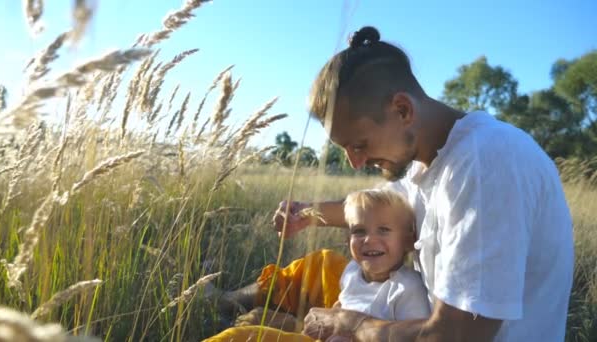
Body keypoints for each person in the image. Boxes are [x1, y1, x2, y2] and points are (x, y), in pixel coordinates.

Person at [271, 26, 574, 341]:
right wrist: (307, 213)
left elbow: (456, 335)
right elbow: (373, 209)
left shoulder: (486, 163)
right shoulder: (427, 165)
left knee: (249, 337)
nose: (356, 163)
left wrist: (352, 324)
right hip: (417, 317)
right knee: (321, 266)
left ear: (403, 110)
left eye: (359, 144)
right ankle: (226, 299)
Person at [204, 189, 431, 341]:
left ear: (409, 241)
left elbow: (416, 336)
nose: (369, 240)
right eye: (358, 231)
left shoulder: (406, 289)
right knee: (258, 317)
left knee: (240, 337)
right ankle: (224, 304)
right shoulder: (353, 272)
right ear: (347, 239)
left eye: (384, 230)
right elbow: (342, 304)